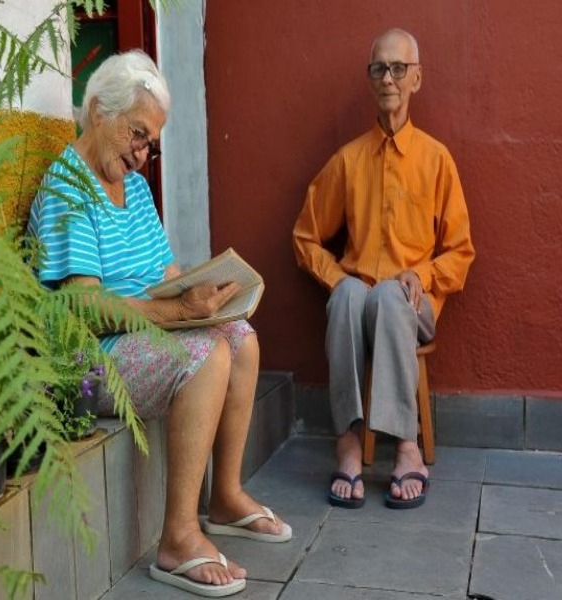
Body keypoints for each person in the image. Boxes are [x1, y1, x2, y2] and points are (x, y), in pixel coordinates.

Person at [27, 50, 291, 598]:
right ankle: (176, 538)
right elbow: (82, 308)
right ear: (98, 111)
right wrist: (179, 313)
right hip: (89, 356)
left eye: (151, 143)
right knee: (206, 355)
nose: (144, 155)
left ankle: (224, 496)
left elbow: (163, 273)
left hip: (139, 336)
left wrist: (210, 294)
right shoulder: (68, 186)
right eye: (138, 135)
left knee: (239, 338)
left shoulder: (138, 191)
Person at [293, 29, 475, 510]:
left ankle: (406, 445)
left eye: (398, 68)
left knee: (392, 295)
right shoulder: (348, 161)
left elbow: (460, 250)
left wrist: (426, 275)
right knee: (353, 294)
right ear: (370, 80)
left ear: (417, 79)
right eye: (379, 69)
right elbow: (305, 237)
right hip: (357, 308)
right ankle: (349, 441)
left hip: (410, 307)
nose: (388, 78)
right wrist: (338, 279)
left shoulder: (436, 160)